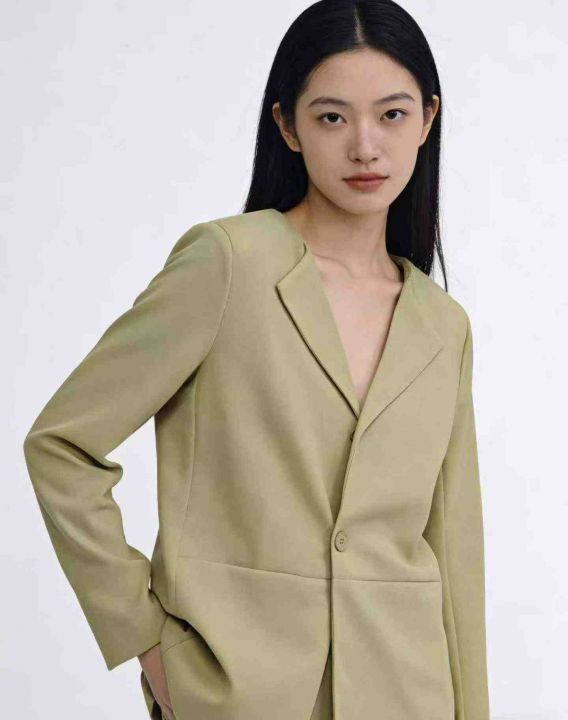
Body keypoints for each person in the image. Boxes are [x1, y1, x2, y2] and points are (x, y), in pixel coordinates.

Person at [22, 1, 490, 719]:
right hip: (244, 693)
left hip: (408, 693)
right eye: (332, 117)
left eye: (392, 115)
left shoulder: (442, 324)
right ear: (288, 127)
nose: (366, 146)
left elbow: (454, 554)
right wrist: (145, 638)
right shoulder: (229, 264)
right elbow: (63, 445)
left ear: (428, 120)